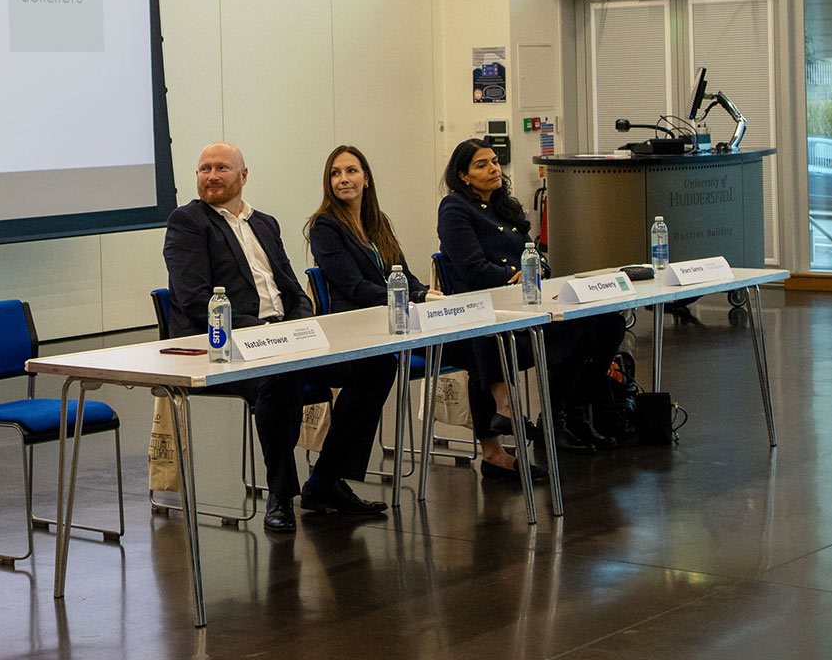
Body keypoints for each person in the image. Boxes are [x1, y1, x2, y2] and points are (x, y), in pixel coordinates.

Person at [163, 142, 390, 533]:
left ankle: (325, 480)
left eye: (221, 168)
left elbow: (293, 289)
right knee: (281, 374)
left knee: (377, 363)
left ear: (243, 175)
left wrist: (298, 325)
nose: (212, 176)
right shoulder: (188, 222)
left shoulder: (264, 223)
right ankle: (281, 495)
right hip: (223, 345)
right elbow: (195, 300)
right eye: (204, 169)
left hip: (282, 338)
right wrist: (265, 333)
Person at [305, 145, 506, 476]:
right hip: (359, 329)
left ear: (366, 179)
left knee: (480, 344)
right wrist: (408, 299)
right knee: (378, 367)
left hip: (401, 323)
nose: (343, 179)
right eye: (335, 173)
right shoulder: (325, 227)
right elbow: (354, 287)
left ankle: (493, 446)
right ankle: (331, 477)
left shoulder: (377, 222)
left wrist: (424, 294)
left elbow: (405, 275)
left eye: (351, 171)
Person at [437, 138, 626, 470]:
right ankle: (554, 418)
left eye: (494, 161)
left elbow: (533, 257)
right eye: (481, 165)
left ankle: (574, 410)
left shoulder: (505, 205)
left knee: (608, 322)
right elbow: (472, 268)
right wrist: (516, 276)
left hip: (529, 302)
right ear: (463, 176)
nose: (493, 168)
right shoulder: (455, 209)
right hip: (485, 310)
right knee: (579, 328)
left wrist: (537, 271)